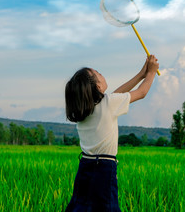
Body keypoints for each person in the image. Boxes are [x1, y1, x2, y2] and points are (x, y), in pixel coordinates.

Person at [64, 55, 159, 212]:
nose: (102, 74)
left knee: (82, 206)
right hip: (104, 168)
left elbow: (116, 94)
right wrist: (152, 73)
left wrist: (142, 73)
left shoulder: (86, 110)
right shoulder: (109, 104)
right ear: (98, 87)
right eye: (99, 73)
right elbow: (142, 92)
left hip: (85, 167)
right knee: (106, 207)